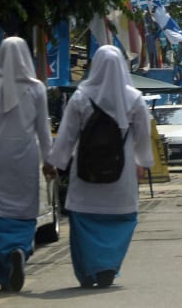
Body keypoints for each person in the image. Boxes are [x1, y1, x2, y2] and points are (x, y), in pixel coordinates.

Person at [43, 45, 153, 289]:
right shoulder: (133, 98)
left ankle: (90, 270)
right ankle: (108, 265)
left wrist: (54, 163)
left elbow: (67, 135)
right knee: (121, 220)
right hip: (121, 174)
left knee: (84, 221)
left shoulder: (81, 97)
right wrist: (141, 162)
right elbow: (143, 135)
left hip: (85, 173)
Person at [0, 37, 52, 293]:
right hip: (26, 156)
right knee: (25, 207)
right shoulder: (36, 88)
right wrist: (50, 161)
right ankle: (18, 248)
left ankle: (4, 257)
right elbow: (43, 130)